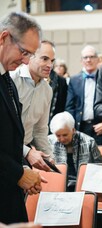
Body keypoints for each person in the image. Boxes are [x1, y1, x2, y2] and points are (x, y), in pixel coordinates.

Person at [0, 11, 45, 224]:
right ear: (3, 38)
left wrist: (23, 171)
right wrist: (18, 173)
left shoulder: (7, 79)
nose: (26, 61)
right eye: (24, 52)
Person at [11, 40, 55, 172]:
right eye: (45, 59)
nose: (50, 65)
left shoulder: (47, 90)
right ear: (30, 57)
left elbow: (40, 130)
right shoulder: (11, 80)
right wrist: (27, 152)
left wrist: (49, 157)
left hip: (25, 152)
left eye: (52, 61)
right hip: (5, 150)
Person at [49, 111, 102, 191]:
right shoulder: (49, 142)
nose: (62, 139)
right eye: (58, 135)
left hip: (84, 186)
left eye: (65, 135)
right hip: (57, 186)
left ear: (73, 130)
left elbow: (100, 167)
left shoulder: (88, 142)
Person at [66, 45, 102, 146]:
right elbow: (70, 107)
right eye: (85, 57)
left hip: (100, 128)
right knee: (81, 160)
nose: (88, 60)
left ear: (97, 59)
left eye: (92, 57)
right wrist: (71, 127)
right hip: (80, 128)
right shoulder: (74, 80)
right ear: (81, 61)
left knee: (100, 160)